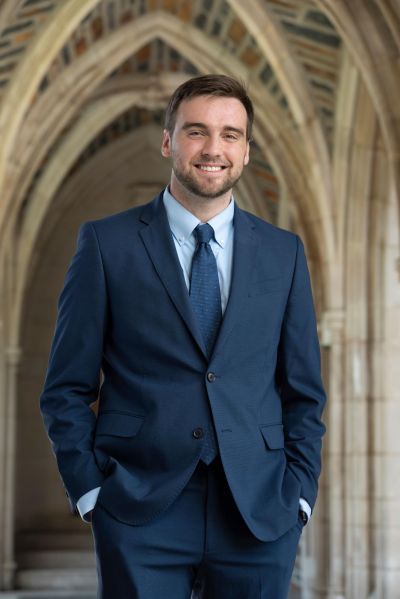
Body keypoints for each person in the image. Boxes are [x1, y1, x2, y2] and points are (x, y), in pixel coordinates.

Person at [40, 74, 326, 599]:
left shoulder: (284, 254)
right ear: (169, 141)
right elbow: (66, 387)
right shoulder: (107, 244)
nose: (213, 148)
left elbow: (303, 390)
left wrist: (300, 495)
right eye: (197, 131)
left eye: (230, 134)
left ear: (246, 150)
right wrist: (90, 491)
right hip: (138, 507)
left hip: (260, 511)